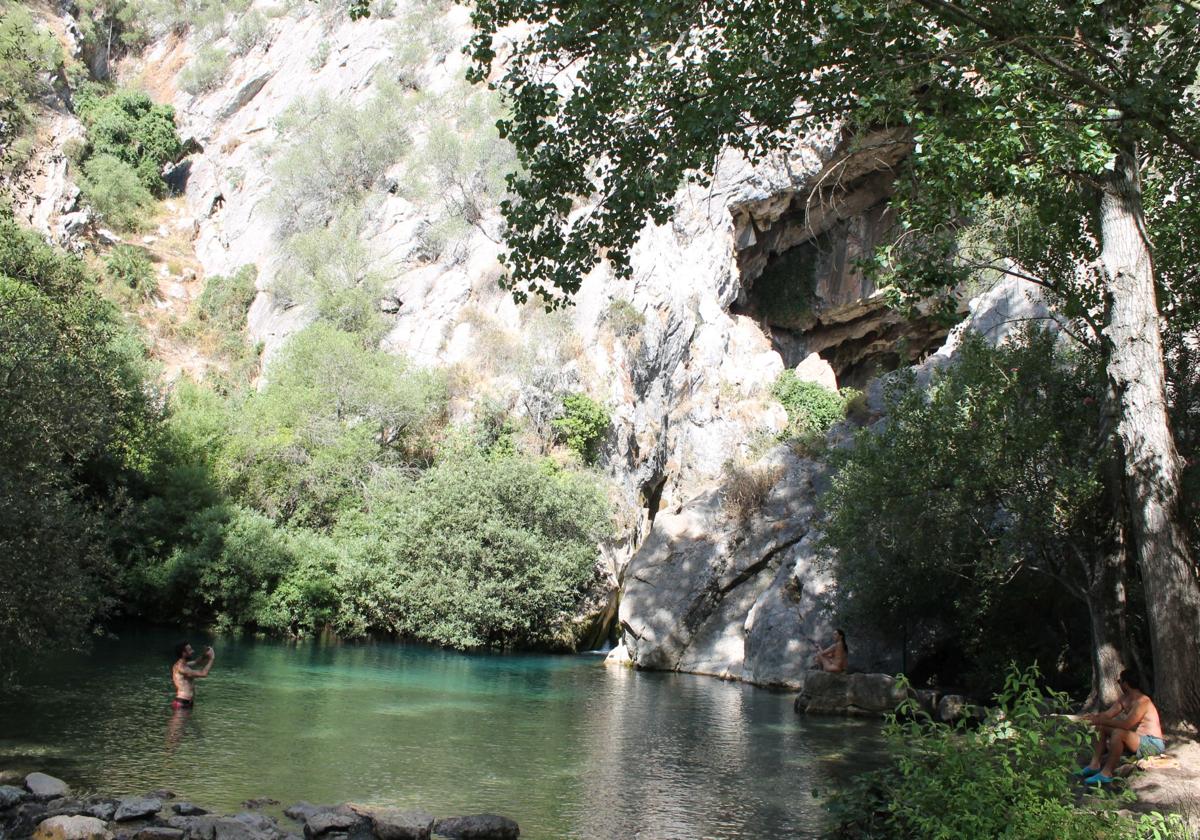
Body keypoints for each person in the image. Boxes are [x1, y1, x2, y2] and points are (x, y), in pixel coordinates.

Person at [1075, 669, 1165, 784]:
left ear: (1126, 684)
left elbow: (1126, 725)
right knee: (1101, 727)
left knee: (1118, 733)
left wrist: (1099, 720)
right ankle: (1094, 765)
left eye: (1119, 681)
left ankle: (1106, 773)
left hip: (1152, 744)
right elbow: (1108, 715)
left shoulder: (1143, 701)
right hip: (1137, 740)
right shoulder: (1124, 699)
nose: (1119, 684)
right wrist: (1094, 717)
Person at [171, 641, 215, 709]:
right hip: (182, 702)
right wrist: (212, 658)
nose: (193, 651)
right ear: (184, 653)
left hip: (186, 701)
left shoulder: (183, 664)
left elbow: (196, 662)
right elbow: (203, 673)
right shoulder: (182, 668)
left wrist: (205, 655)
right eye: (190, 650)